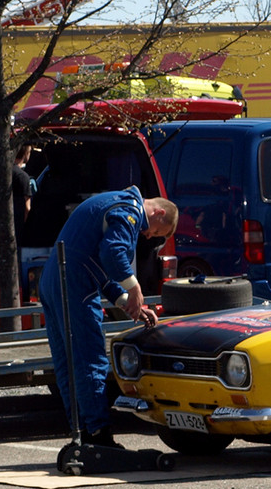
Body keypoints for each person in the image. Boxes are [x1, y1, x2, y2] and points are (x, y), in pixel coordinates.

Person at [41, 188, 177, 447]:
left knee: (68, 364)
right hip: (74, 283)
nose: (149, 235)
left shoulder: (112, 201)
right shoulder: (131, 211)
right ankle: (99, 436)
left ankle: (80, 433)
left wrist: (129, 304)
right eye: (157, 231)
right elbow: (112, 253)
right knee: (90, 359)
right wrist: (134, 289)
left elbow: (98, 267)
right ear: (159, 212)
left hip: (55, 278)